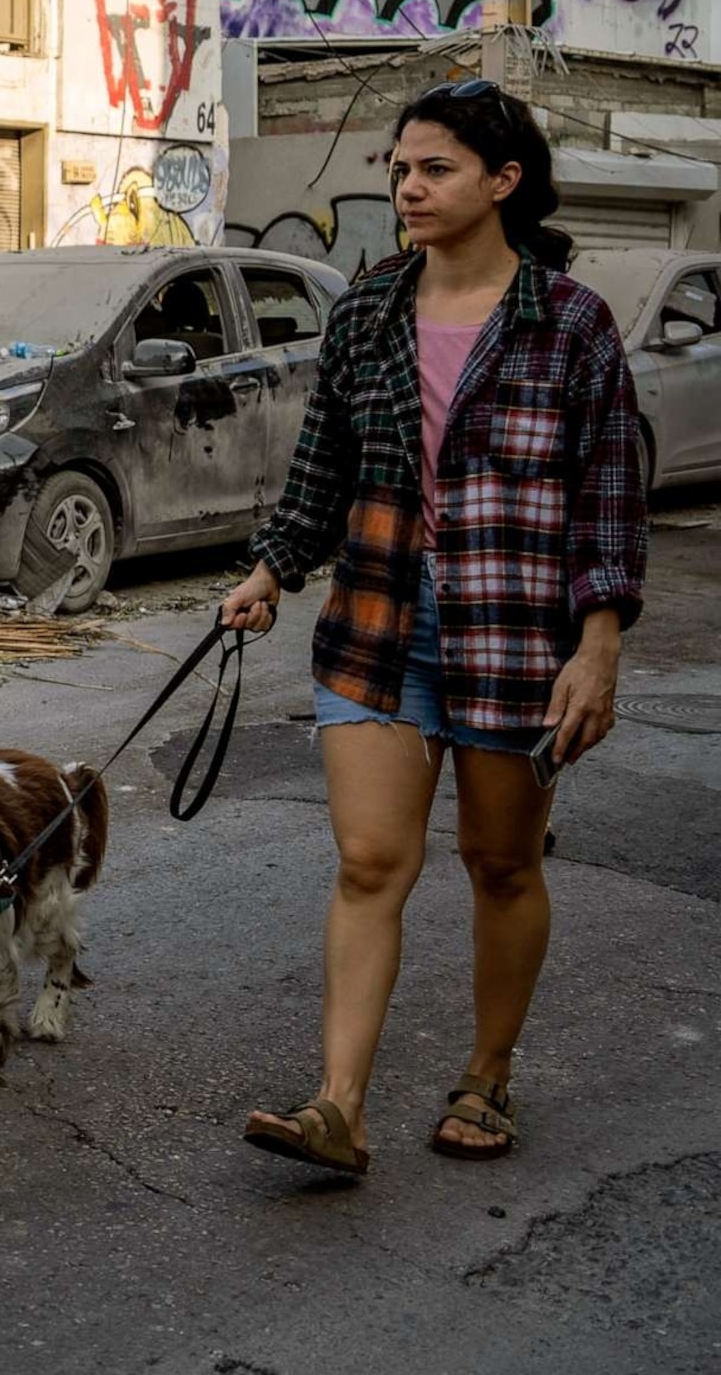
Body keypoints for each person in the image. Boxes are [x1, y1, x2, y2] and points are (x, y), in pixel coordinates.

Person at [223, 78, 645, 1177]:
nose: (409, 187)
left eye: (435, 168)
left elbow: (608, 499)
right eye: (400, 168)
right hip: (376, 624)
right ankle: (338, 1105)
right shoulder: (366, 308)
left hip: (519, 643)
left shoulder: (571, 323)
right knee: (370, 861)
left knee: (500, 863)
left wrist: (597, 649)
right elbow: (324, 466)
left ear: (503, 181)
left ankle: (487, 1074)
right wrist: (272, 569)